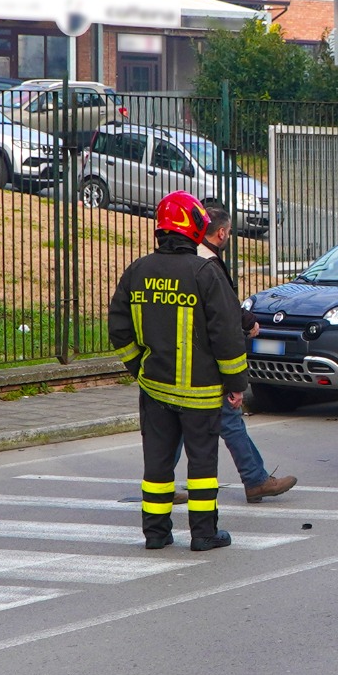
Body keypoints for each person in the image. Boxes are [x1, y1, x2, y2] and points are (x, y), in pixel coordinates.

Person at [109, 190, 249, 552]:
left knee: (156, 466)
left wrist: (138, 367)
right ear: (194, 227)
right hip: (200, 393)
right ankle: (204, 534)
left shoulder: (138, 270)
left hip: (154, 389)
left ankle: (155, 534)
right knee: (202, 465)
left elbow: (118, 328)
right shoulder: (205, 272)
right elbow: (227, 334)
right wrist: (236, 384)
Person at [194, 202, 296, 504]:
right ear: (222, 233)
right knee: (228, 417)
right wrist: (237, 383)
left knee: (184, 422)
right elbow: (223, 317)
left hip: (178, 362)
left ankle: (255, 478)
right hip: (205, 362)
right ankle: (255, 480)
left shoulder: (187, 260)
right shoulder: (208, 265)